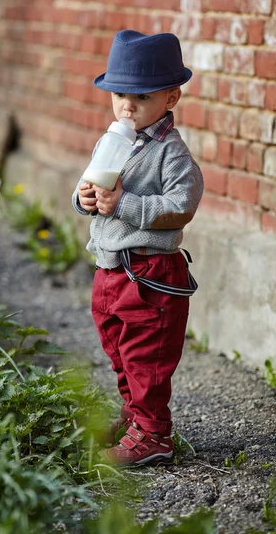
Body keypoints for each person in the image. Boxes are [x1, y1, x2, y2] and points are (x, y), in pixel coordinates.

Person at [71, 30, 204, 467]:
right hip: (109, 270)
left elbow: (181, 207)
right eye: (118, 93)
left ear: (171, 98)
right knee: (120, 353)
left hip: (150, 276)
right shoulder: (111, 141)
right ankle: (134, 416)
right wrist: (84, 198)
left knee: (146, 357)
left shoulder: (172, 154)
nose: (126, 106)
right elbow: (89, 183)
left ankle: (154, 435)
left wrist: (124, 204)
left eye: (141, 96)